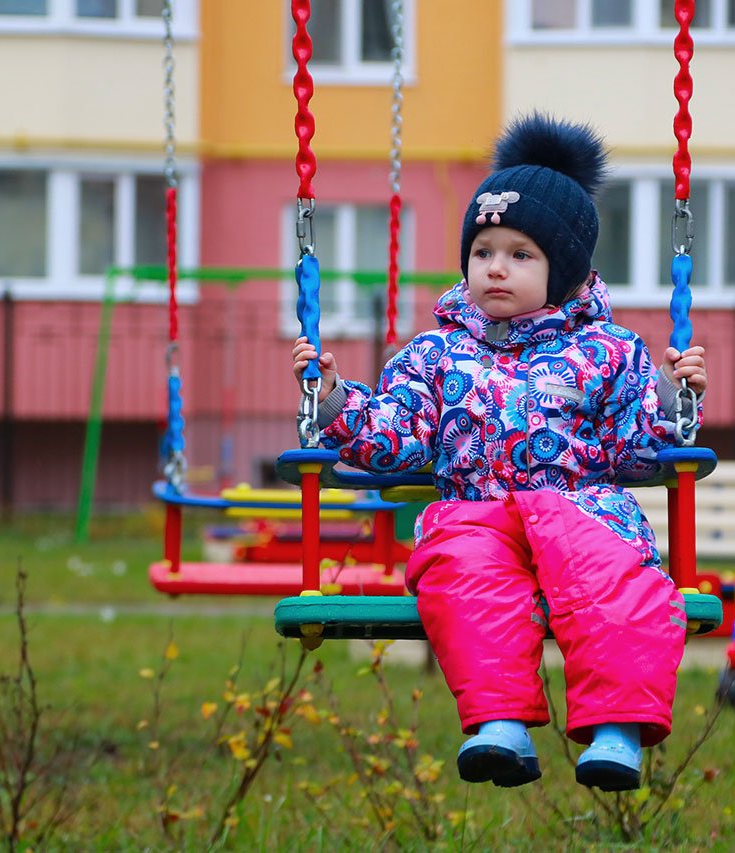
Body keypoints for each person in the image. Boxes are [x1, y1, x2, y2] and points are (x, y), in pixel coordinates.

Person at [292, 113, 707, 792]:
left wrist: (669, 397)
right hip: (474, 514)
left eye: (521, 254)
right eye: (483, 251)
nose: (496, 267)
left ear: (565, 270)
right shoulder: (435, 353)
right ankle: (500, 726)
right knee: (460, 577)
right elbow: (395, 435)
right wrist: (337, 399)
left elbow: (635, 450)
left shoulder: (607, 352)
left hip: (582, 511)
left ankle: (616, 730)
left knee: (617, 587)